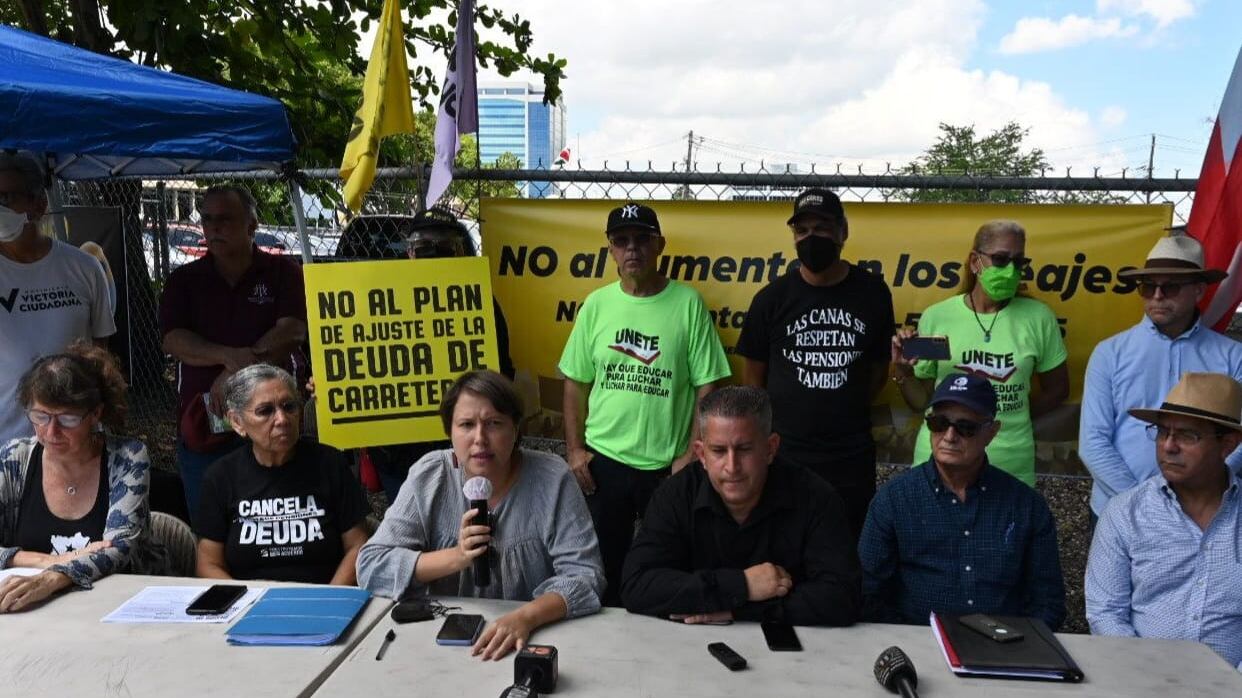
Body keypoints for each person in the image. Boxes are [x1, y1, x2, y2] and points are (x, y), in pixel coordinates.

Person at [357, 370, 604, 660]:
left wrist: (526, 617)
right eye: (466, 424)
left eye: (494, 423)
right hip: (441, 642)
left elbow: (586, 576)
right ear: (449, 431)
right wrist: (457, 556)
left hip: (535, 638)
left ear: (516, 429)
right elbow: (371, 566)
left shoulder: (552, 478)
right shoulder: (430, 475)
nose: (480, 439)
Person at [559, 202, 731, 605]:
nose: (631, 248)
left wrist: (693, 453)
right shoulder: (597, 306)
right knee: (604, 567)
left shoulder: (688, 304)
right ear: (610, 251)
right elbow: (575, 383)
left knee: (669, 565)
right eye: (621, 241)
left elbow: (710, 386)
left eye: (642, 239)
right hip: (605, 462)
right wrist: (574, 450)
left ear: (660, 246)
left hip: (668, 467)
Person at [620, 386, 861, 626]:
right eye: (718, 451)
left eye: (744, 449)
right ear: (701, 454)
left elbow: (843, 597)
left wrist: (738, 609)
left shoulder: (815, 497)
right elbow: (637, 585)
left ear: (770, 448)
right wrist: (743, 585)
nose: (732, 466)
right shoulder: (675, 494)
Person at [736, 188, 894, 539]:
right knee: (787, 542)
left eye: (822, 228)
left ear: (843, 231)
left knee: (847, 544)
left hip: (850, 452)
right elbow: (753, 383)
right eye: (802, 230)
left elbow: (878, 372)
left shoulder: (873, 293)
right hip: (787, 451)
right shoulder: (771, 299)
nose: (811, 238)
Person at [859, 373, 1065, 630]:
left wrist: (1018, 645)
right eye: (939, 423)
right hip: (918, 645)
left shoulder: (1026, 506)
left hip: (1008, 650)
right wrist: (909, 640)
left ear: (991, 432)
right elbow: (868, 593)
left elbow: (1049, 602)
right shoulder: (894, 499)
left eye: (965, 427)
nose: (949, 436)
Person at [159, 184, 307, 524]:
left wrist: (237, 373)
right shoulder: (184, 280)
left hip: (274, 420)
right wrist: (228, 356)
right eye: (207, 219)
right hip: (206, 423)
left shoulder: (283, 272)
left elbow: (292, 331)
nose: (214, 228)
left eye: (225, 219)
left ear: (252, 225)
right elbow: (173, 340)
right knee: (211, 524)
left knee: (277, 522)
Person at [892, 219, 1069, 486]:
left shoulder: (1039, 317)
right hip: (939, 465)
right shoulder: (938, 317)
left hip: (1010, 465)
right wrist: (904, 373)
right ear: (975, 262)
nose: (1010, 270)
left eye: (1018, 262)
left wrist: (1011, 415)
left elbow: (1058, 389)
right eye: (1000, 259)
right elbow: (922, 403)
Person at [1086, 372, 1242, 670]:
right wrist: (1147, 676)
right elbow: (1105, 613)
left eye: (1187, 435)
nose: (1168, 446)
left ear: (1228, 444)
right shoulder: (1124, 513)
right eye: (1161, 432)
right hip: (1140, 681)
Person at [1080, 236, 1242, 521]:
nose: (1156, 296)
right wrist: (1142, 503)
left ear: (1199, 290)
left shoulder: (1233, 356)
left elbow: (1239, 438)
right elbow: (1093, 442)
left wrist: (1202, 494)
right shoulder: (1110, 353)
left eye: (1170, 287)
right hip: (1120, 511)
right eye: (1147, 287)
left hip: (1206, 512)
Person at [0, 342, 165, 612]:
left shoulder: (127, 457)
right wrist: (47, 561)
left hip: (121, 606)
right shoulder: (13, 459)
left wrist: (54, 577)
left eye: (67, 420)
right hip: (34, 612)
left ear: (95, 414)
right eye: (40, 416)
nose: (51, 432)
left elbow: (118, 548)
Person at [366, 206, 515, 503]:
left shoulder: (481, 300)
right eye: (424, 248)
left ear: (460, 253)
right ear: (409, 253)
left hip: (461, 446)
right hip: (398, 448)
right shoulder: (378, 300)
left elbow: (501, 374)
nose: (435, 256)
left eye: (445, 247)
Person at [195, 364, 368, 585]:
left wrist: (328, 599)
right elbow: (208, 563)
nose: (282, 419)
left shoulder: (329, 464)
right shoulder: (221, 476)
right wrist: (247, 604)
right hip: (250, 606)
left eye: (289, 407)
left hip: (324, 598)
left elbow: (358, 546)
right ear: (237, 422)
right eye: (265, 411)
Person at [0, 153, 115, 443]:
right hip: (5, 445)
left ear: (39, 205)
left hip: (73, 443)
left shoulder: (84, 268)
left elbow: (101, 359)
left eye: (5, 198)